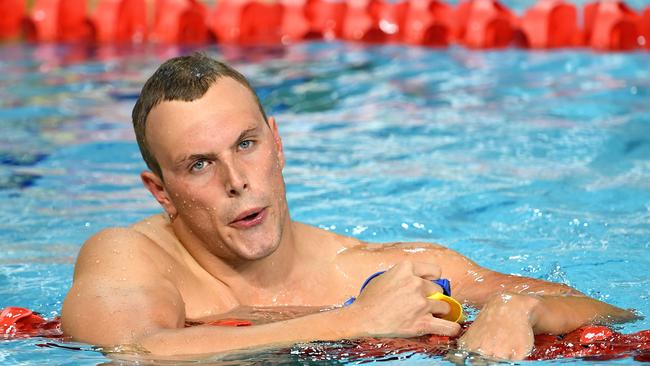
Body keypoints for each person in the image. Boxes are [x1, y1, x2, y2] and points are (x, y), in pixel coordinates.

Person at [61, 53, 635, 361]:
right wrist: (354, 322)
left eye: (246, 145)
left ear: (277, 142)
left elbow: (615, 314)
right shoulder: (130, 256)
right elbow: (134, 350)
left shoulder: (372, 268)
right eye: (199, 164)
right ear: (161, 192)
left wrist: (520, 309)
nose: (237, 181)